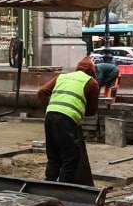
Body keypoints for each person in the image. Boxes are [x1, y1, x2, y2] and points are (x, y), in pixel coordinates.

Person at [37, 57, 99, 185]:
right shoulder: (91, 83)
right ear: (92, 72)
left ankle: (48, 184)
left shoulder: (62, 77)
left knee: (53, 156)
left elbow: (42, 92)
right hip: (66, 120)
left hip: (50, 117)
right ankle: (63, 189)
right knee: (70, 158)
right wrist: (78, 111)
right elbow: (92, 111)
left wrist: (49, 109)